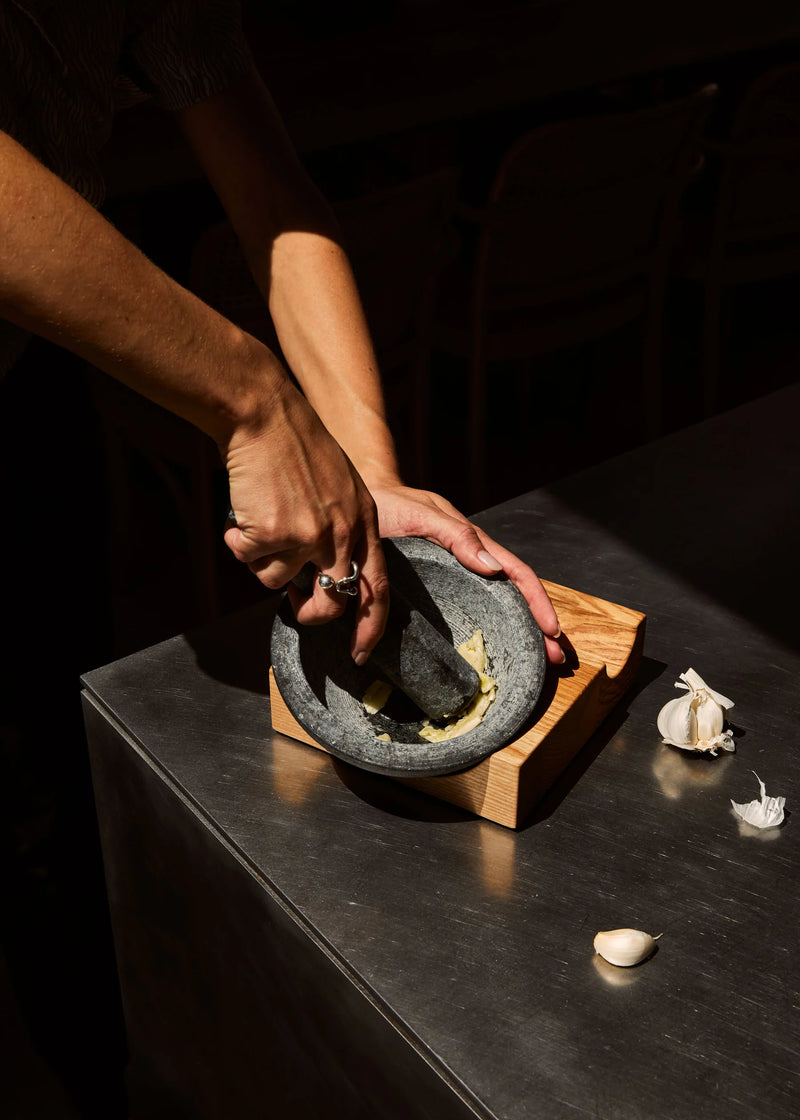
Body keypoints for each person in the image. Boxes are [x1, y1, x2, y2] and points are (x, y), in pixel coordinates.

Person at [0, 2, 562, 1114]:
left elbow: (272, 201)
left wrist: (367, 471)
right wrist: (253, 400)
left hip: (27, 372)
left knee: (51, 795)